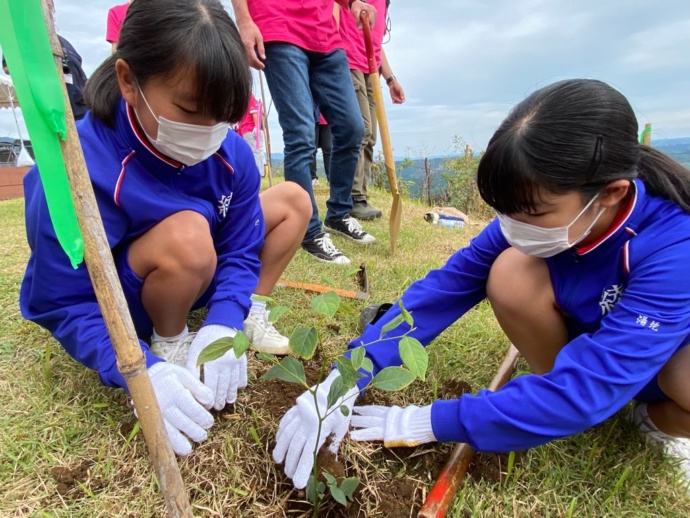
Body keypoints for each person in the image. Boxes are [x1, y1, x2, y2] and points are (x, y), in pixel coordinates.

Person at [273, 79, 690, 490]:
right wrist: (345, 378)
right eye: (507, 212)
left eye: (532, 212)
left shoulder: (674, 246)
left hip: (666, 360)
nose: (511, 226)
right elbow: (444, 290)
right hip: (593, 347)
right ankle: (549, 395)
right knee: (510, 274)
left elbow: (592, 385)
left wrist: (428, 421)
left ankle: (651, 418)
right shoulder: (530, 217)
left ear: (610, 194)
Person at [20, 0, 311, 456]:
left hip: (196, 270)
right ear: (127, 81)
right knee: (189, 237)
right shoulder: (76, 170)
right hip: (129, 297)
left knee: (292, 199)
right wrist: (141, 369)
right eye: (191, 109)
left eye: (223, 115)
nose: (209, 131)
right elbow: (62, 302)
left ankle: (237, 313)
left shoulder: (229, 153)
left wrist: (224, 319)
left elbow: (239, 249)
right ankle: (170, 340)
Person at [231, 0, 377, 266]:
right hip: (278, 26)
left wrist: (352, 3)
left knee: (353, 128)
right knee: (301, 135)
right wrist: (244, 21)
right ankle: (307, 231)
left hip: (325, 35)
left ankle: (338, 213)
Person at [336, 0, 405, 221]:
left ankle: (361, 196)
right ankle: (351, 198)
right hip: (349, 63)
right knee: (361, 131)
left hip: (371, 71)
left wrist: (391, 79)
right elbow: (333, 15)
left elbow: (375, 44)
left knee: (371, 137)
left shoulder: (383, 4)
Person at [2, 0, 88, 120]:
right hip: (51, 112)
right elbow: (8, 67)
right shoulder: (23, 40)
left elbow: (80, 74)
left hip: (82, 110)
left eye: (49, 7)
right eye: (40, 7)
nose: (46, 11)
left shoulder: (64, 42)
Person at [237, 93, 265, 176]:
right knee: (257, 151)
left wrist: (257, 127)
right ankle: (258, 173)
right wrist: (257, 127)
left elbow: (254, 112)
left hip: (247, 129)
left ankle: (256, 173)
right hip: (251, 128)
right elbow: (255, 112)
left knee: (254, 152)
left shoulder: (246, 98)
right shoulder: (250, 98)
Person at [311, 110, 332, 186]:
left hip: (326, 118)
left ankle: (330, 179)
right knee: (313, 149)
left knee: (328, 149)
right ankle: (313, 178)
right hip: (313, 117)